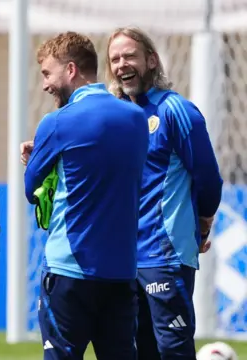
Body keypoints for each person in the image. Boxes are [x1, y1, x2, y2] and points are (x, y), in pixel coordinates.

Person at [21, 31, 148, 359]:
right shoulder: (135, 118)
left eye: (48, 73)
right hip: (121, 272)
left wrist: (37, 160)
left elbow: (32, 191)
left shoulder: (57, 122)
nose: (46, 84)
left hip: (70, 271)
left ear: (72, 70)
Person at [106, 27, 223, 360]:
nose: (121, 64)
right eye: (115, 59)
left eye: (129, 55)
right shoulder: (117, 117)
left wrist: (200, 226)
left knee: (172, 350)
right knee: (133, 350)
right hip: (121, 258)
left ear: (152, 60)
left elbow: (209, 179)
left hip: (164, 254)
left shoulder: (176, 111)